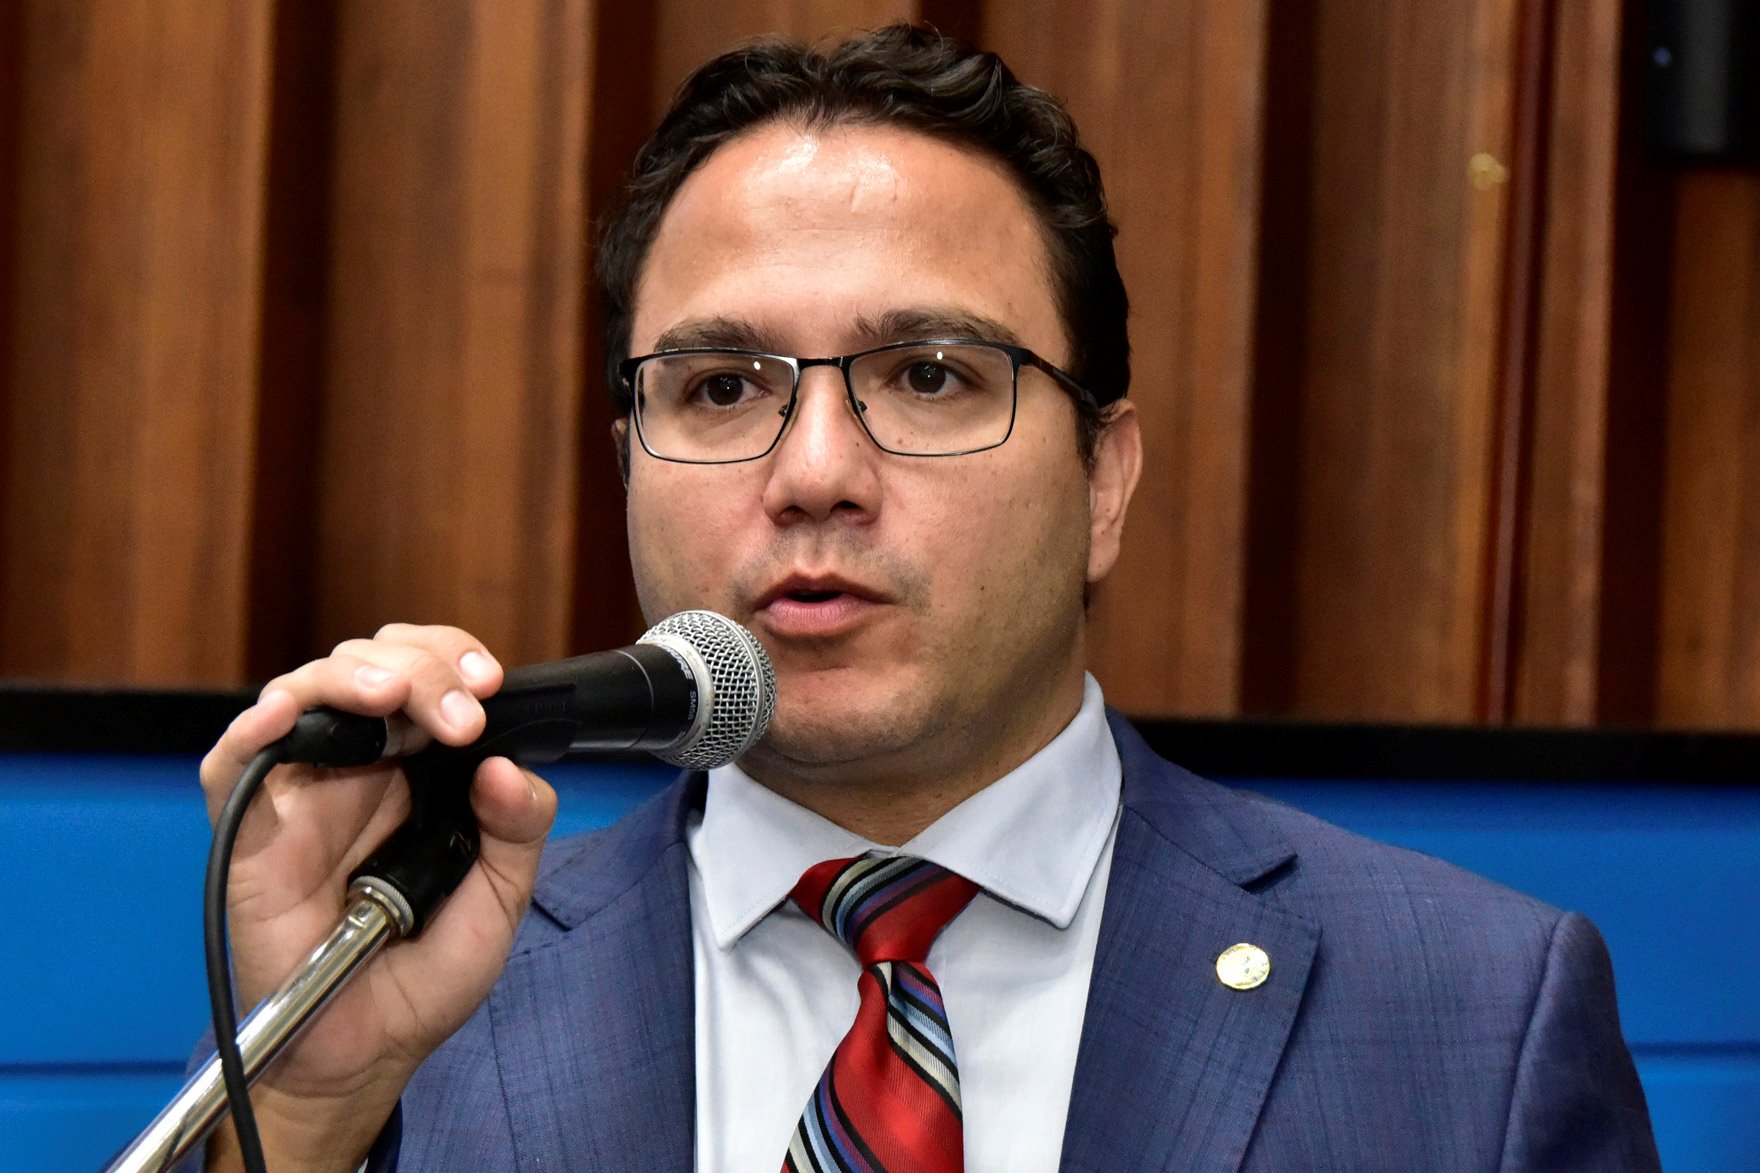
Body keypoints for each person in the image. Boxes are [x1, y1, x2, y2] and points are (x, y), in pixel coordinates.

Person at [198, 24, 1659, 1172]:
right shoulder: (409, 991)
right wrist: (310, 1117)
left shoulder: (1474, 1019)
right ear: (627, 462)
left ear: (1103, 482)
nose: (814, 474)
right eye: (722, 388)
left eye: (931, 376)